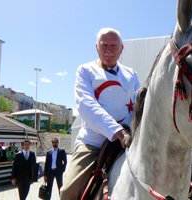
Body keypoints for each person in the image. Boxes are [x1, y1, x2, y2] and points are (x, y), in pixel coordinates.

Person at [60, 27, 140, 200]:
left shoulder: (132, 74)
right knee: (68, 192)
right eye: (104, 45)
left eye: (113, 45)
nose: (108, 50)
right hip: (93, 144)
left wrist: (127, 128)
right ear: (96, 48)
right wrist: (118, 131)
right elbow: (86, 105)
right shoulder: (85, 71)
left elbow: (138, 107)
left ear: (121, 49)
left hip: (128, 139)